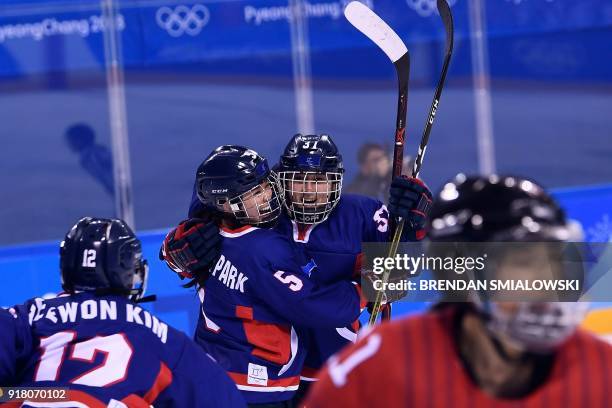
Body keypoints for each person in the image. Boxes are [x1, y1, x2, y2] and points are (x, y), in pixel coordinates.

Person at [161, 134, 432, 399]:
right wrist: (175, 252)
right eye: (299, 180)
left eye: (319, 181)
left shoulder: (362, 214)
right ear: (280, 178)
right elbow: (200, 230)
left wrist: (414, 228)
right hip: (273, 377)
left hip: (333, 368)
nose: (310, 192)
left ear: (336, 181)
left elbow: (409, 266)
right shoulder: (257, 212)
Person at [305, 174, 612, 407]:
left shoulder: (601, 371)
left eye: (553, 262)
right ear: (460, 271)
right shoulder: (377, 371)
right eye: (523, 263)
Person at [170, 145, 363, 406]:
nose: (268, 196)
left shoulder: (209, 235)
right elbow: (315, 305)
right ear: (225, 203)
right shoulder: (263, 247)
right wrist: (365, 289)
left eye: (266, 185)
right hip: (258, 386)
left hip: (213, 371)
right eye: (254, 193)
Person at [1, 217, 245, 407]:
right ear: (129, 271)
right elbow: (222, 398)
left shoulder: (30, 315)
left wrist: (22, 393)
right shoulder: (160, 334)